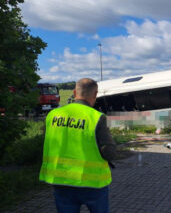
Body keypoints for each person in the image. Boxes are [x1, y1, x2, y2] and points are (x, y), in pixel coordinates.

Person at [39, 78, 117, 213]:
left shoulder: (52, 115)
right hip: (93, 184)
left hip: (61, 181)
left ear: (74, 92)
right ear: (95, 94)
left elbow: (47, 140)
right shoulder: (97, 117)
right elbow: (109, 152)